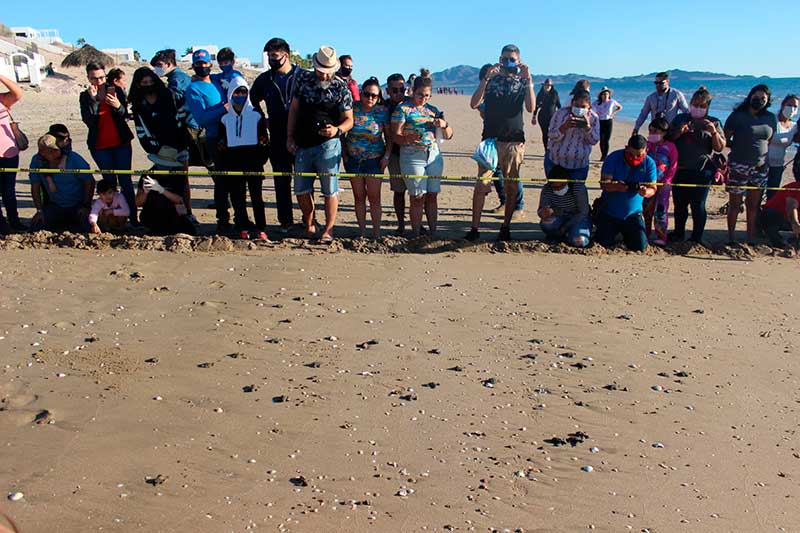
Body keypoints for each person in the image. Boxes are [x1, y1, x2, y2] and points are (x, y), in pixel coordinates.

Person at [286, 45, 354, 244]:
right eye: (321, 71)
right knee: (301, 188)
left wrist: (337, 130)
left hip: (329, 145)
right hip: (303, 143)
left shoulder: (341, 87)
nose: (324, 75)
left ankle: (328, 229)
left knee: (330, 189)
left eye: (328, 72)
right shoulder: (303, 81)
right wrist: (289, 137)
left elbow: (349, 119)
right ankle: (309, 223)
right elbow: (294, 110)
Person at [466, 44, 534, 241]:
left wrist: (529, 80)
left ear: (519, 61)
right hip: (490, 140)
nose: (508, 63)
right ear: (499, 59)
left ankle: (506, 226)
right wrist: (486, 78)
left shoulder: (522, 82)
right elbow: (474, 103)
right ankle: (474, 228)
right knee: (482, 184)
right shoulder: (491, 79)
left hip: (513, 140)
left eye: (512, 59)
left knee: (511, 186)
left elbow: (530, 107)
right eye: (505, 59)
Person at [392, 69, 453, 238]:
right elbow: (395, 136)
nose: (423, 98)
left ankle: (433, 232)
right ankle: (416, 233)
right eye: (420, 95)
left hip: (433, 155)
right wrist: (408, 138)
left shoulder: (433, 110)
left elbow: (449, 135)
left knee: (432, 195)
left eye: (427, 96)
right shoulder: (403, 109)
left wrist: (444, 124)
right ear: (412, 91)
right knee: (417, 196)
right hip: (412, 155)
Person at [250, 37, 299, 233]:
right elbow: (252, 100)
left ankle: (309, 219)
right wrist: (263, 119)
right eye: (269, 56)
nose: (271, 59)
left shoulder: (302, 76)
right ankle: (285, 221)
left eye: (275, 55)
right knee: (281, 180)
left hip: (302, 136)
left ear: (286, 55)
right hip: (277, 136)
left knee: (304, 181)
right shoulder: (265, 79)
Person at [79, 62, 136, 225]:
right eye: (94, 78)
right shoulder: (85, 96)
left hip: (121, 143)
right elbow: (89, 121)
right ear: (88, 78)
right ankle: (111, 220)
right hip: (99, 146)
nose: (99, 81)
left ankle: (133, 218)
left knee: (125, 181)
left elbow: (124, 115)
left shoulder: (116, 90)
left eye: (102, 77)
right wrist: (94, 101)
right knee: (109, 183)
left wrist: (118, 106)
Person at [668, 86, 726, 244]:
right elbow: (668, 139)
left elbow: (719, 147)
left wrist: (713, 132)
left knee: (698, 205)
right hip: (680, 168)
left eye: (702, 106)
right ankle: (678, 233)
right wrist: (679, 132)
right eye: (695, 104)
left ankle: (696, 237)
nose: (697, 108)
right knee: (680, 204)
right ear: (690, 103)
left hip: (702, 170)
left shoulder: (714, 122)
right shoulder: (680, 119)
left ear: (708, 107)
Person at [724, 84, 778, 243]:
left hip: (760, 166)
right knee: (735, 204)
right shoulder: (737, 116)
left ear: (767, 101)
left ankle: (750, 238)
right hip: (738, 164)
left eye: (763, 98)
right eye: (756, 97)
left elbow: (768, 140)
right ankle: (731, 237)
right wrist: (739, 147)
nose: (759, 100)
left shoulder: (770, 117)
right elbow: (725, 138)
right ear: (750, 97)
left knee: (753, 205)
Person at [218, 79, 270, 240]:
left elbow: (264, 140)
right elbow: (222, 143)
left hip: (253, 161)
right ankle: (242, 226)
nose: (240, 95)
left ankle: (260, 227)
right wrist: (225, 160)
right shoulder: (225, 118)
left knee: (256, 196)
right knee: (237, 197)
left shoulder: (256, 115)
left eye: (243, 92)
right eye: (237, 92)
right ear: (230, 94)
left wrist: (260, 159)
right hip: (233, 162)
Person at [186, 49, 231, 234]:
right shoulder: (193, 89)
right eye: (198, 64)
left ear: (210, 64)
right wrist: (223, 109)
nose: (202, 66)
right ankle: (223, 220)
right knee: (221, 179)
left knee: (236, 179)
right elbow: (201, 118)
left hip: (233, 135)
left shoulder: (218, 81)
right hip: (213, 137)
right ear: (193, 66)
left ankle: (241, 218)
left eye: (205, 63)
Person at [343, 77, 391, 239]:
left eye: (374, 95)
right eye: (367, 94)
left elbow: (389, 137)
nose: (370, 98)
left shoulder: (382, 112)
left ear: (378, 97)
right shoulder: (352, 108)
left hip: (374, 160)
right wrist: (345, 155)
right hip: (354, 159)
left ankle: (376, 233)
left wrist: (386, 156)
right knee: (359, 197)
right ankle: (362, 232)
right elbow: (343, 132)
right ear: (361, 93)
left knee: (374, 197)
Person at [546, 89, 599, 225]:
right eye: (576, 105)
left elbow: (594, 140)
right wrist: (564, 127)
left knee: (577, 193)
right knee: (557, 191)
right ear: (571, 103)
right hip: (556, 162)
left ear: (589, 106)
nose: (579, 109)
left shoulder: (593, 118)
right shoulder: (560, 114)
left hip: (578, 165)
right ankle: (557, 220)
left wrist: (587, 128)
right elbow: (551, 134)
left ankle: (577, 221)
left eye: (583, 106)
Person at [595, 135, 658, 251]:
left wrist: (645, 192)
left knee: (640, 247)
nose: (635, 158)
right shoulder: (613, 158)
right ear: (626, 148)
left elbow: (653, 188)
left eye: (639, 155)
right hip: (610, 212)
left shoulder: (649, 163)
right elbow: (603, 184)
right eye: (631, 154)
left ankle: (627, 235)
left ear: (646, 151)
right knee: (603, 242)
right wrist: (616, 187)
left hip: (633, 214)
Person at [29, 134, 95, 233]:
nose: (53, 153)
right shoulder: (37, 161)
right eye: (49, 151)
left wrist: (86, 206)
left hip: (77, 204)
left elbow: (89, 182)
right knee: (35, 227)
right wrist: (39, 210)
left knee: (88, 227)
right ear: (42, 153)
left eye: (55, 150)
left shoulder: (74, 158)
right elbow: (35, 186)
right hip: (55, 205)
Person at [136, 146, 196, 236]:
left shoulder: (178, 175)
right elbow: (138, 203)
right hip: (151, 213)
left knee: (190, 229)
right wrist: (145, 192)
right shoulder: (148, 175)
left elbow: (179, 200)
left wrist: (161, 189)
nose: (163, 166)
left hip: (171, 213)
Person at [537, 164, 590, 247]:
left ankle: (568, 235)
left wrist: (565, 227)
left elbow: (583, 212)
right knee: (546, 224)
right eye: (555, 187)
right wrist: (543, 213)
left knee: (580, 241)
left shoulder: (578, 188)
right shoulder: (547, 189)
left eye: (561, 186)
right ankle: (556, 236)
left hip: (577, 218)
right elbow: (540, 210)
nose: (559, 189)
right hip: (559, 216)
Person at [643, 117, 677, 245]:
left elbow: (673, 166)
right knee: (646, 209)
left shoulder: (670, 147)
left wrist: (667, 181)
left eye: (655, 131)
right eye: (650, 131)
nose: (652, 134)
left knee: (661, 210)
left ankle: (661, 236)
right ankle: (645, 233)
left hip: (663, 184)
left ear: (664, 132)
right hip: (648, 182)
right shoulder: (647, 145)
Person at [383, 73, 409, 234]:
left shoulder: (411, 103)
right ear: (388, 90)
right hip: (394, 154)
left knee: (417, 192)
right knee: (399, 191)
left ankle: (417, 224)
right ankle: (401, 224)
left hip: (413, 154)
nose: (399, 93)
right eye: (395, 90)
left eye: (402, 89)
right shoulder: (383, 107)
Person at [0, 73, 25, 233]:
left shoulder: (2, 99)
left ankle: (14, 221)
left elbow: (17, 92)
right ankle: (2, 224)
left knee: (9, 190)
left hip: (9, 153)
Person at [766, 94, 799, 199]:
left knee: (772, 195)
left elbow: (797, 139)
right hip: (763, 164)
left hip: (778, 165)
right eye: (789, 105)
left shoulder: (794, 126)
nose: (792, 108)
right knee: (756, 193)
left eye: (795, 106)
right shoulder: (771, 120)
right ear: (783, 105)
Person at [759, 181, 800, 247]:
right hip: (776, 217)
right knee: (771, 215)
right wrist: (795, 223)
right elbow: (791, 207)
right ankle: (778, 242)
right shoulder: (794, 187)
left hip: (789, 221)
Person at [533, 78, 560, 151]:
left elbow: (558, 105)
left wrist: (561, 116)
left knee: (552, 134)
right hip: (542, 117)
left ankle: (552, 148)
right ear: (543, 85)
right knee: (545, 133)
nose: (548, 86)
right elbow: (536, 106)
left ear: (551, 86)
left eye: (549, 85)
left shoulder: (554, 94)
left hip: (553, 117)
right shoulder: (541, 94)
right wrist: (534, 116)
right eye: (546, 85)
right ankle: (546, 150)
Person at [595, 87, 622, 160]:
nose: (605, 95)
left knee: (606, 139)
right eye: (604, 94)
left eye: (607, 94)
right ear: (601, 95)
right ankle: (603, 154)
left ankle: (605, 156)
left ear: (609, 95)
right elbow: (590, 108)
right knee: (601, 139)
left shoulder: (612, 101)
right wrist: (595, 115)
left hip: (608, 121)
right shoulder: (597, 103)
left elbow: (620, 107)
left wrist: (613, 113)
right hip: (600, 121)